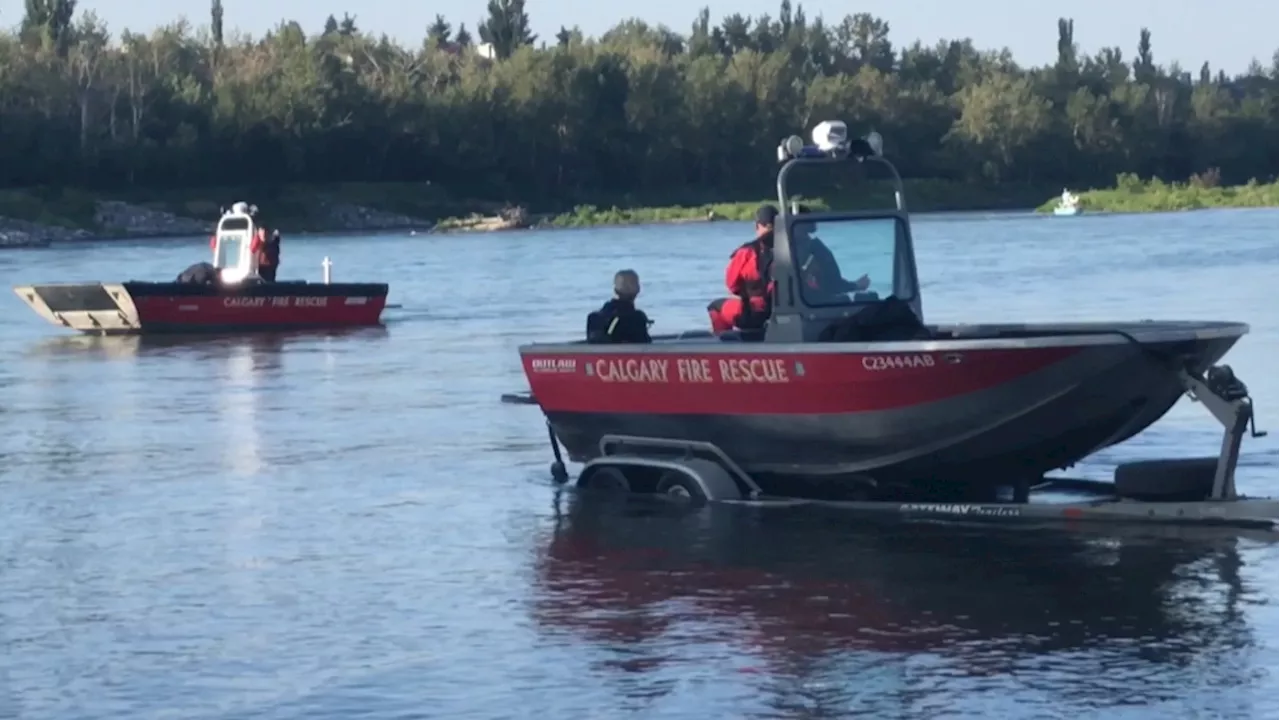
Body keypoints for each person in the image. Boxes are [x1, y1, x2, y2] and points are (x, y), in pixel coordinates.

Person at [707, 205, 777, 333]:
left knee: (714, 307)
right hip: (785, 310)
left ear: (757, 226)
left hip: (754, 312)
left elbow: (731, 285)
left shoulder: (746, 252)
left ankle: (725, 345)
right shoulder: (794, 249)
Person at [791, 204, 870, 300]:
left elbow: (834, 283)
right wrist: (856, 285)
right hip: (815, 307)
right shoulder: (817, 250)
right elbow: (834, 285)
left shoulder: (778, 250)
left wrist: (855, 285)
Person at [586, 269, 652, 344]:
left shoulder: (594, 318)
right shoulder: (637, 317)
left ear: (615, 290)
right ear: (638, 289)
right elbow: (645, 346)